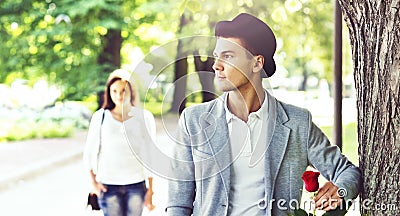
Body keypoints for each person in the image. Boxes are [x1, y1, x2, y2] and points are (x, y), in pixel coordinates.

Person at [166, 13, 361, 216]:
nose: (216, 65)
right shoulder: (193, 121)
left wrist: (341, 190)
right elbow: (178, 202)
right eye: (217, 55)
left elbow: (348, 171)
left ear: (257, 63)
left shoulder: (297, 123)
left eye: (228, 56)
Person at [84, 69, 156, 216]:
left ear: (131, 91)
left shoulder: (144, 118)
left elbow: (150, 155)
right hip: (108, 186)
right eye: (114, 91)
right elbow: (89, 152)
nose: (119, 95)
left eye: (123, 90)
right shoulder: (100, 117)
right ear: (109, 93)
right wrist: (94, 184)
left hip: (136, 185)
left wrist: (151, 190)